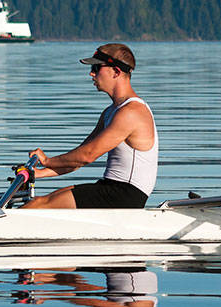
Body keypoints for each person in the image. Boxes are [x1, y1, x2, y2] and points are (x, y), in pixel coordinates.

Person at [24, 43, 158, 209]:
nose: (91, 73)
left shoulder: (132, 112)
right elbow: (77, 161)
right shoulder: (110, 112)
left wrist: (47, 160)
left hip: (126, 195)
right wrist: (38, 173)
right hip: (111, 187)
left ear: (116, 72)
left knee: (39, 205)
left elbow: (87, 155)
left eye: (96, 67)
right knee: (36, 203)